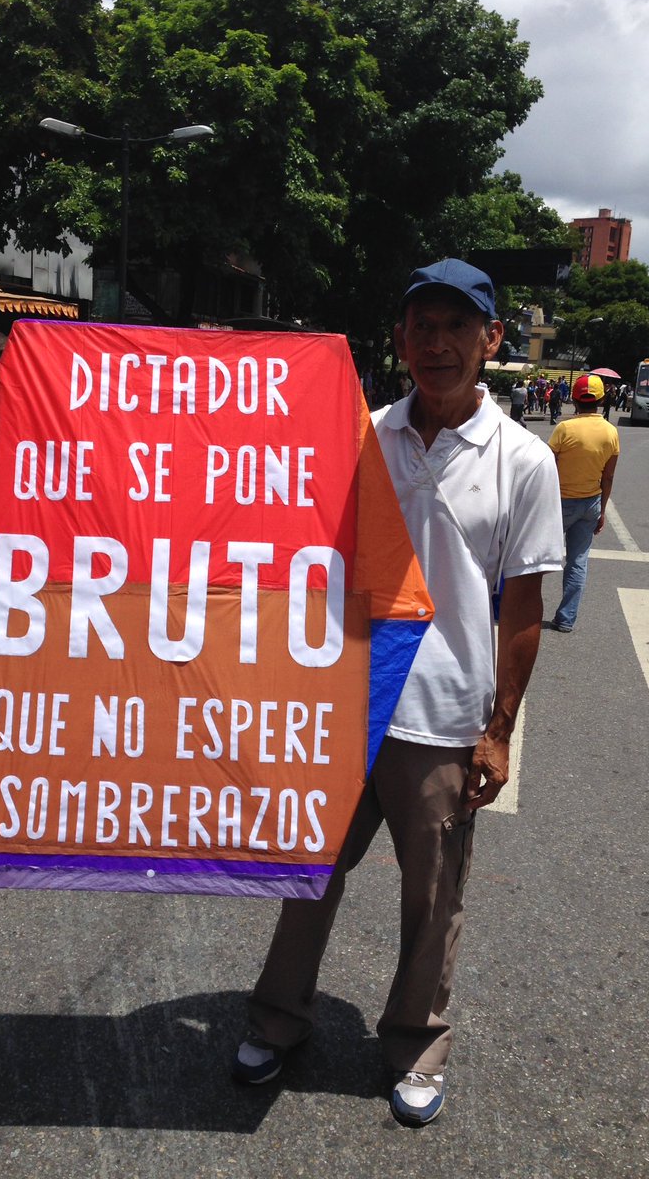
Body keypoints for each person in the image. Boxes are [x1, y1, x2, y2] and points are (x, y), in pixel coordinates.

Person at [232, 259, 563, 1126]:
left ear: (492, 339)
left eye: (459, 325)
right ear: (400, 340)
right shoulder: (359, 433)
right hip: (341, 706)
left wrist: (498, 731)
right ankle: (278, 1017)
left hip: (444, 717)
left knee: (432, 895)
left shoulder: (523, 461)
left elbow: (523, 610)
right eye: (422, 325)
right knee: (307, 872)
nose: (438, 343)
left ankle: (416, 1043)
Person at [547, 374, 619, 633]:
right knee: (578, 562)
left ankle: (523, 611)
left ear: (575, 399)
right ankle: (565, 619)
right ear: (601, 399)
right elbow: (608, 476)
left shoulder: (565, 429)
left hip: (559, 503)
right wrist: (602, 509)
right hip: (591, 503)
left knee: (538, 557)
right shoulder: (611, 432)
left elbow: (547, 467)